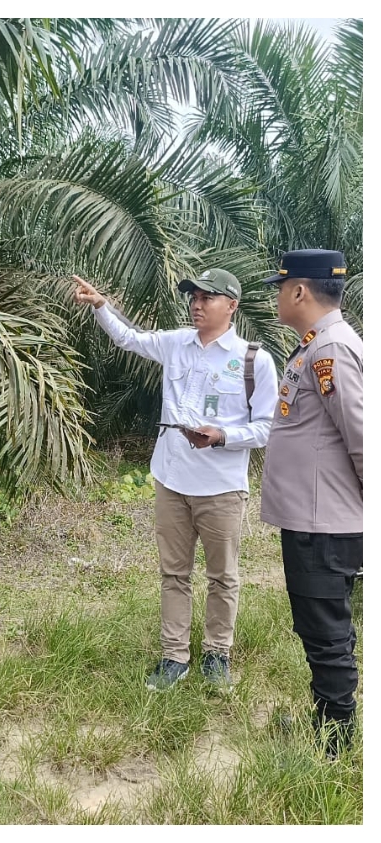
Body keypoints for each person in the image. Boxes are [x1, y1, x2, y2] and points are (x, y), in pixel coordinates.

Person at [73, 269, 277, 690]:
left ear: (232, 306)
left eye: (208, 297)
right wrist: (101, 306)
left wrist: (223, 436)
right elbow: (129, 339)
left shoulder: (253, 359)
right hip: (171, 480)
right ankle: (174, 656)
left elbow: (267, 428)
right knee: (174, 574)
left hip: (221, 486)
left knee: (223, 576)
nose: (197, 304)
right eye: (193, 297)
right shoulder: (175, 343)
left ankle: (217, 654)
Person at [257, 248, 363, 759]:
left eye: (281, 286)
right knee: (326, 629)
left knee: (325, 632)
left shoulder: (330, 351)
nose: (277, 295)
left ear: (300, 291)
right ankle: (327, 719)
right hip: (314, 518)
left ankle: (333, 743)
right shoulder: (317, 346)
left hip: (324, 524)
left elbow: (363, 437)